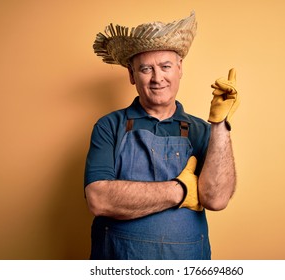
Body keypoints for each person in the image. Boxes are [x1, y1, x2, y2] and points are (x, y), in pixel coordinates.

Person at [84, 12, 240, 260]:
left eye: (166, 66)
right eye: (146, 69)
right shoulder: (109, 126)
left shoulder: (201, 130)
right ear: (132, 75)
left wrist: (219, 124)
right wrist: (181, 190)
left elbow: (217, 198)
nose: (158, 78)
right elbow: (99, 199)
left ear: (179, 69)